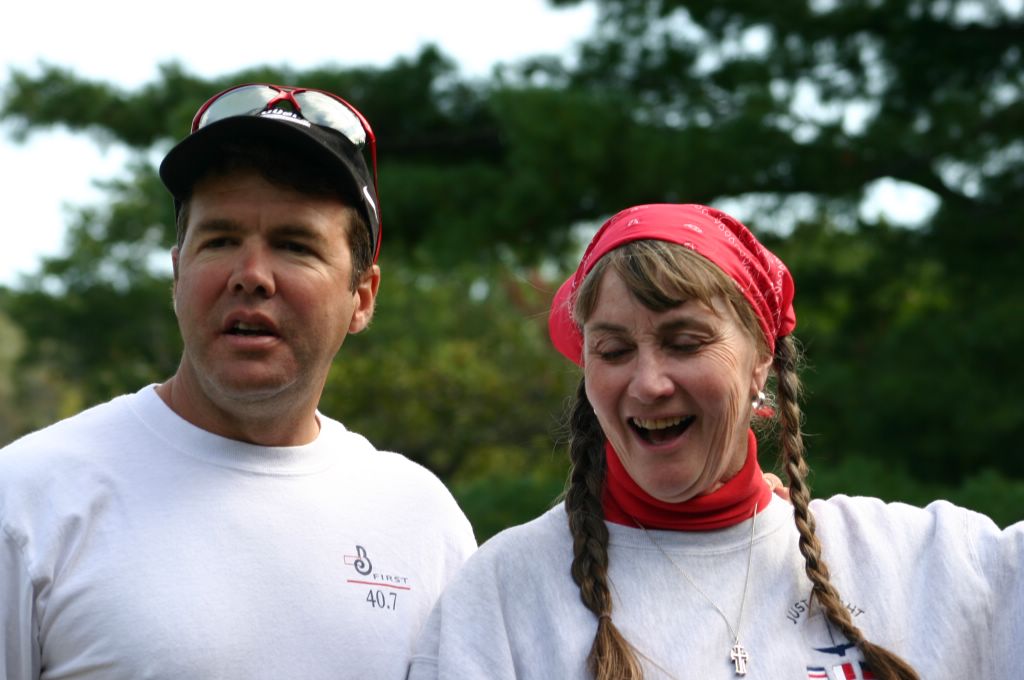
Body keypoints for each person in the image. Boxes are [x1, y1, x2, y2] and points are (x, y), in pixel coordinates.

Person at [408, 203, 1024, 680]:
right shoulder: (505, 595)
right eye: (614, 350)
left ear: (760, 360)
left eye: (685, 343)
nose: (649, 383)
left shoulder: (931, 564)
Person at [0, 83, 475, 680]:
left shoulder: (422, 520)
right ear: (177, 274)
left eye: (294, 245)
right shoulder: (27, 499)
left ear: (362, 297)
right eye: (220, 240)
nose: (251, 275)